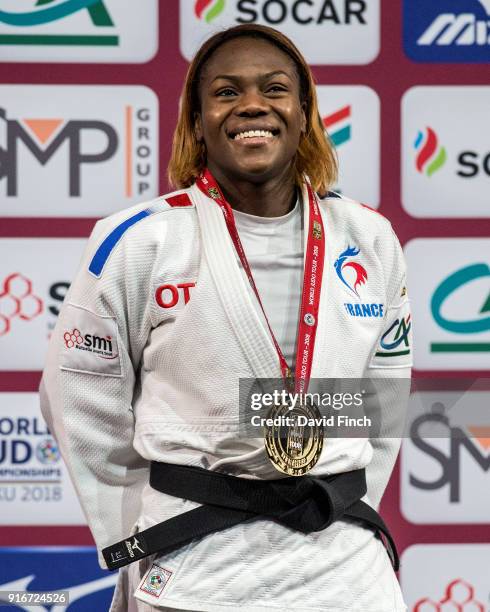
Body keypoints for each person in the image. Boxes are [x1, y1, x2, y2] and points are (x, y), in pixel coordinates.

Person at [40, 24, 411, 612]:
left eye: (275, 89)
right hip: (197, 568)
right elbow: (81, 399)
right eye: (226, 92)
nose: (253, 105)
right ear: (196, 119)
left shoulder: (368, 237)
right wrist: (138, 535)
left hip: (346, 573)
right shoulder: (140, 240)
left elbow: (382, 395)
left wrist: (339, 494)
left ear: (305, 111)